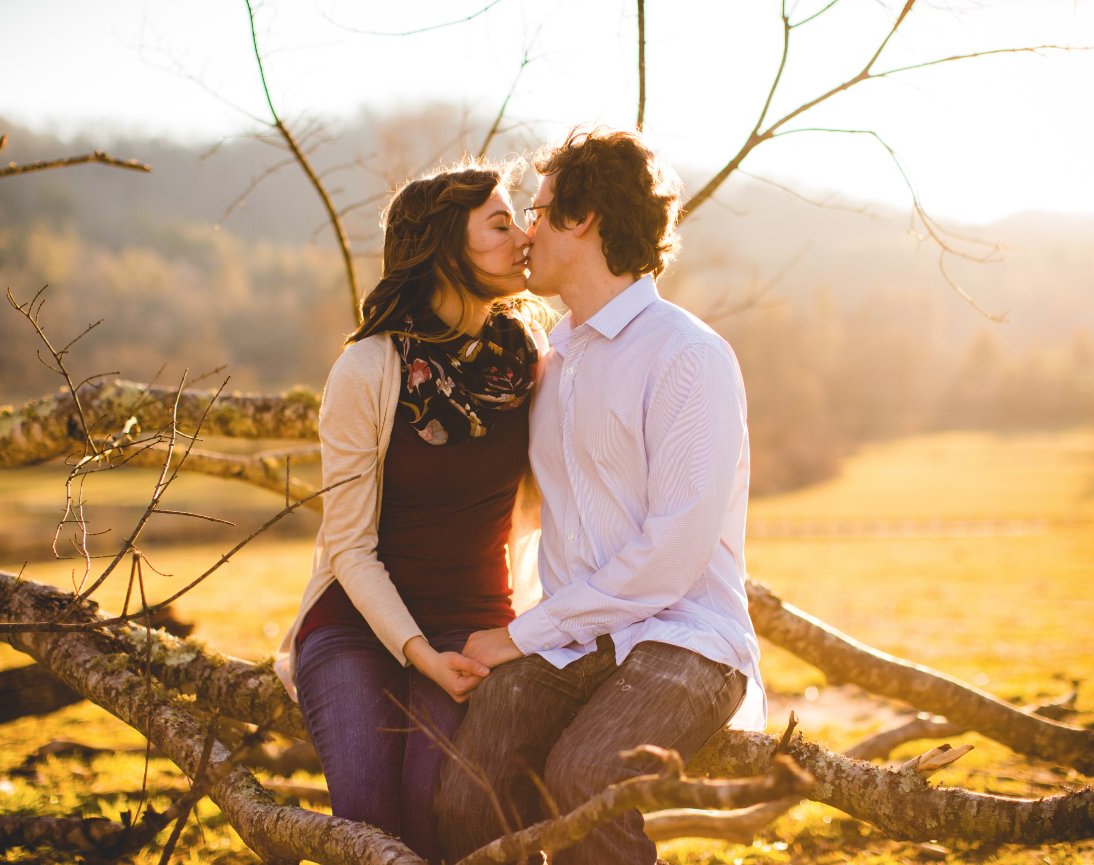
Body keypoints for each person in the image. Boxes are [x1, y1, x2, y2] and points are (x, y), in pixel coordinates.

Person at [435, 129, 766, 865]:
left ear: (581, 220)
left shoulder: (688, 356)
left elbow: (671, 559)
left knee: (583, 775)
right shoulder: (550, 361)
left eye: (541, 210)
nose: (526, 229)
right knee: (464, 794)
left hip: (686, 640)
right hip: (576, 640)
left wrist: (519, 636)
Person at [273, 163, 548, 864]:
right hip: (360, 625)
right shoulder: (367, 369)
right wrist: (416, 651)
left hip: (473, 628)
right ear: (443, 246)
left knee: (436, 818)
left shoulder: (532, 360)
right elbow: (349, 549)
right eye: (499, 223)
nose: (524, 236)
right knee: (370, 824)